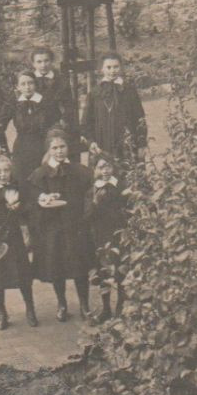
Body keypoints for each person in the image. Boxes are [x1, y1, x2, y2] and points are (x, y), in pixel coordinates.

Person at [28, 131, 92, 322]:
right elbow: (32, 197)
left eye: (62, 147)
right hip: (52, 227)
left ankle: (84, 305)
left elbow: (90, 190)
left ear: (68, 148)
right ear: (48, 150)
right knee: (57, 266)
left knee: (79, 266)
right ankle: (62, 303)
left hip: (74, 224)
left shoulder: (78, 170)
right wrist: (42, 199)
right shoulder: (40, 174)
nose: (59, 151)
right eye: (54, 148)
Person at [0, 153, 36, 330]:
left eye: (6, 170)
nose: (3, 174)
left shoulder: (14, 188)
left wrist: (19, 208)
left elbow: (28, 209)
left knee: (22, 275)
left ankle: (30, 309)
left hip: (13, 237)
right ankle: (2, 312)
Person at [80, 53, 148, 167]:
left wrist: (141, 144)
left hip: (127, 143)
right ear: (101, 69)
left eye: (116, 67)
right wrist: (91, 142)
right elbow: (86, 122)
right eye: (108, 67)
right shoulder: (94, 93)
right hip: (102, 143)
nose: (112, 71)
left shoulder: (129, 91)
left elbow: (140, 118)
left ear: (121, 67)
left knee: (130, 176)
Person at [87, 155, 128, 322]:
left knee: (121, 269)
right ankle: (106, 308)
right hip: (102, 235)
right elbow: (87, 216)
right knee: (104, 270)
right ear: (95, 169)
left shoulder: (121, 186)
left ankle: (120, 306)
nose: (105, 170)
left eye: (108, 166)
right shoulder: (92, 191)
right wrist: (95, 203)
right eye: (101, 167)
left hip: (119, 234)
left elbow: (128, 207)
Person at [5, 69, 55, 185]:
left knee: (43, 180)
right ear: (18, 87)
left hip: (42, 146)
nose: (27, 87)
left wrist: (50, 148)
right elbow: (0, 122)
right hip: (21, 148)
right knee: (22, 180)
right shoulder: (14, 103)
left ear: (35, 85)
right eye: (23, 84)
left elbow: (55, 123)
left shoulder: (45, 102)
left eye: (30, 83)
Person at [29, 46, 76, 141]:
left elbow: (69, 105)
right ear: (33, 64)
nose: (43, 65)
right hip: (33, 125)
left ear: (51, 61)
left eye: (46, 61)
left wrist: (63, 120)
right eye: (39, 62)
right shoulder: (29, 80)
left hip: (55, 124)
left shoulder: (60, 80)